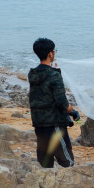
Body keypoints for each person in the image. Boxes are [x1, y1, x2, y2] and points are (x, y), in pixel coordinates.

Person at [28, 38, 75, 168]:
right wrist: (71, 110)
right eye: (54, 51)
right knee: (67, 161)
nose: (54, 53)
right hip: (54, 123)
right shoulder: (54, 74)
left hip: (39, 122)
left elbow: (43, 95)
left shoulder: (33, 73)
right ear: (50, 54)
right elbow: (61, 100)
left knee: (45, 161)